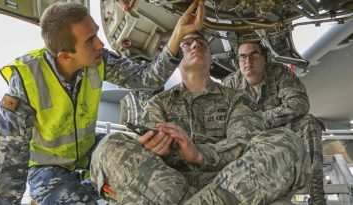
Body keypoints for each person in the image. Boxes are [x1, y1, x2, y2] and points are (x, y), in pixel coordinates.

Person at [0, 1, 205, 204]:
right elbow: (8, 164)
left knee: (141, 158)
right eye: (90, 41)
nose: (101, 44)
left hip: (89, 150)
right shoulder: (26, 80)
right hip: (47, 166)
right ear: (65, 56)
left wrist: (177, 35)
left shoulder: (99, 58)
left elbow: (147, 78)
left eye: (97, 35)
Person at [90, 31, 311, 204]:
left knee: (285, 142)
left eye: (202, 44)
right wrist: (159, 152)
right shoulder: (158, 104)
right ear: (177, 59)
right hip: (169, 189)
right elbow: (148, 166)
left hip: (229, 185)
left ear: (211, 60)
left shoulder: (237, 99)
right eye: (187, 44)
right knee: (109, 146)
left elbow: (244, 144)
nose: (196, 45)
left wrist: (199, 154)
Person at [221, 41, 326, 205]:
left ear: (263, 58)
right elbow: (223, 122)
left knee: (309, 123)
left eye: (253, 55)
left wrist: (262, 119)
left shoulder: (279, 73)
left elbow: (299, 103)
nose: (248, 61)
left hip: (280, 130)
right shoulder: (230, 85)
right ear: (238, 61)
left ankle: (317, 195)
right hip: (247, 138)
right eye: (243, 57)